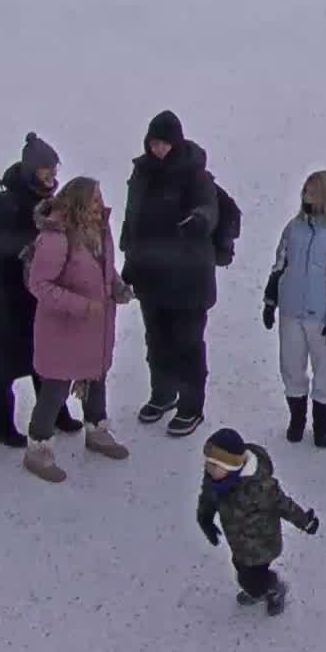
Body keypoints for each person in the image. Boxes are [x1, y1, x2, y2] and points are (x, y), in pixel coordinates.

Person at [0, 133, 79, 448]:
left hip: (39, 295)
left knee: (46, 357)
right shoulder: (0, 203)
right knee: (2, 364)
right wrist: (11, 251)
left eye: (54, 169)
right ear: (31, 169)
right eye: (45, 169)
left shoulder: (53, 205)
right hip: (2, 296)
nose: (51, 175)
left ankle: (54, 413)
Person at [23, 177, 132, 482]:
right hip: (63, 328)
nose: (99, 205)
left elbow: (104, 268)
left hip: (96, 327)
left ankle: (96, 430)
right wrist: (82, 306)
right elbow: (39, 284)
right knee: (56, 387)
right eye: (94, 199)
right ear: (77, 201)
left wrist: (118, 286)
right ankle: (38, 448)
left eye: (100, 198)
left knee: (96, 376)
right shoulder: (55, 237)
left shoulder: (99, 228)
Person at [120, 111, 219, 438]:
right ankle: (163, 394)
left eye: (164, 143)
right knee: (157, 340)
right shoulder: (142, 173)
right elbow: (133, 216)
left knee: (187, 343)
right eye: (153, 142)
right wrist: (129, 254)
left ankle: (191, 406)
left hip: (188, 277)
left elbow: (209, 209)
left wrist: (199, 221)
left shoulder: (195, 175)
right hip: (151, 274)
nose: (158, 149)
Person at [264, 171, 326, 448]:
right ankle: (296, 419)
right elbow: (279, 265)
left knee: (324, 371)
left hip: (323, 317)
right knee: (291, 368)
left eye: (314, 191)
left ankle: (321, 423)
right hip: (291, 312)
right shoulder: (293, 229)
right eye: (306, 189)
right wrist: (271, 301)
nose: (307, 195)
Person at [196, 428, 320, 616]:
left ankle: (272, 589)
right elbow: (208, 497)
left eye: (215, 465)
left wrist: (304, 521)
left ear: (232, 467)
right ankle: (257, 588)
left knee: (253, 578)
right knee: (240, 567)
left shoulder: (259, 488)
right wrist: (204, 517)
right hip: (239, 542)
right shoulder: (215, 480)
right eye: (208, 463)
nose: (208, 468)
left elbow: (283, 504)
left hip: (262, 544)